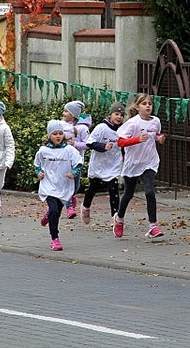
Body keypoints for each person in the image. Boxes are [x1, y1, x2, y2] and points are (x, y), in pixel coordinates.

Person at [113, 93, 166, 239]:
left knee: (150, 192)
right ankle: (119, 219)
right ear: (137, 107)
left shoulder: (156, 121)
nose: (148, 106)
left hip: (149, 161)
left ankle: (153, 226)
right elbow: (120, 142)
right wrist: (137, 139)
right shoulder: (132, 123)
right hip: (133, 162)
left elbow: (156, 134)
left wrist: (160, 138)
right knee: (128, 194)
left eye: (150, 103)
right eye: (144, 104)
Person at [34, 119, 83, 251]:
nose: (58, 136)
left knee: (56, 211)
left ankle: (48, 214)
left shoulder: (69, 150)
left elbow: (79, 163)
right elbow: (37, 165)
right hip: (48, 186)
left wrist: (73, 172)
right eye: (54, 134)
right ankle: (55, 239)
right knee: (55, 210)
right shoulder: (43, 151)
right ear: (49, 135)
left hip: (64, 187)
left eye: (60, 133)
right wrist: (39, 173)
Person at [82, 102, 125, 223]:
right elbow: (90, 143)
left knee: (113, 190)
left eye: (121, 115)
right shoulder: (101, 127)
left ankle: (116, 219)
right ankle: (85, 207)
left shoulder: (122, 129)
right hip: (99, 164)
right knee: (93, 188)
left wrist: (124, 155)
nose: (119, 117)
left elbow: (124, 144)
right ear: (110, 115)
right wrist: (103, 146)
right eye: (116, 114)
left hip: (113, 164)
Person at [60, 100, 91, 219]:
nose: (63, 113)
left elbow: (88, 144)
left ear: (73, 114)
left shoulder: (82, 128)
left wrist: (75, 144)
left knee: (76, 184)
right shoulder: (61, 125)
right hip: (63, 160)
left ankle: (72, 197)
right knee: (67, 183)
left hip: (77, 160)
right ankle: (69, 208)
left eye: (66, 111)